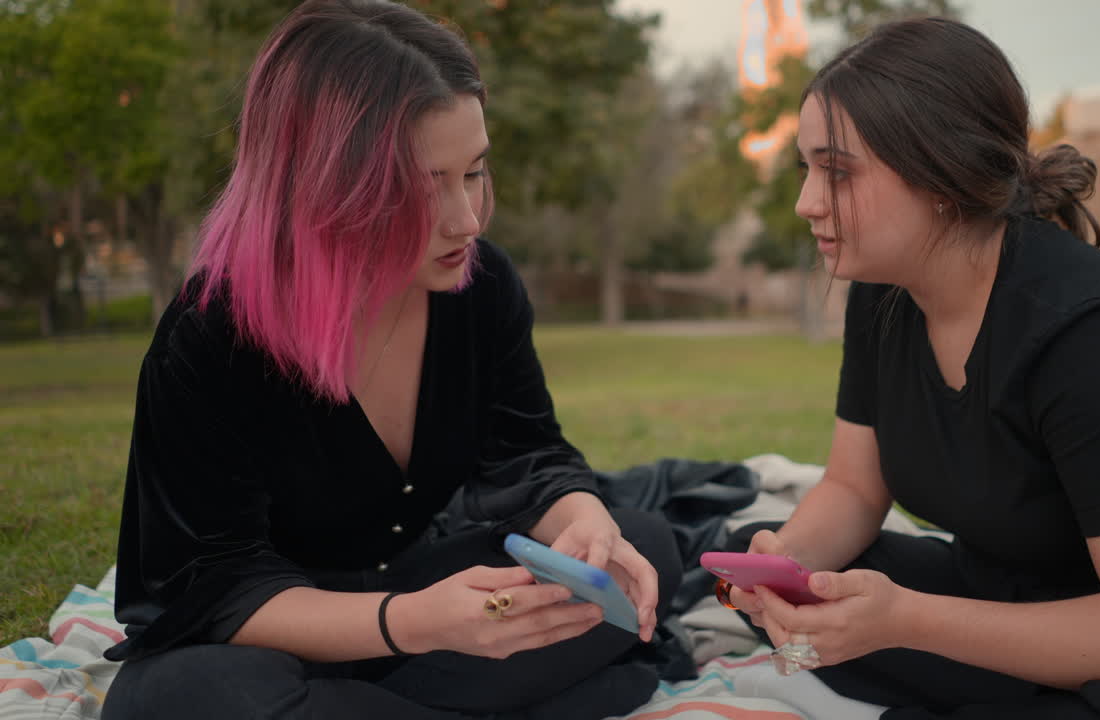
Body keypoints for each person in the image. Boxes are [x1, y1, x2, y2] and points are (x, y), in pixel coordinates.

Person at [100, 1, 680, 718]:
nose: (465, 219)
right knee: (178, 697)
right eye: (424, 184)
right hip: (281, 632)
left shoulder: (481, 285)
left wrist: (581, 517)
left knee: (642, 546)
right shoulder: (211, 335)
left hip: (425, 601)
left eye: (472, 172)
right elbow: (204, 583)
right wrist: (410, 620)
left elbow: (525, 455)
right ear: (324, 187)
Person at [720, 17, 1100, 720]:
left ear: (941, 176)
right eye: (808, 170)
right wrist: (788, 568)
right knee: (762, 561)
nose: (807, 203)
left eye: (837, 171)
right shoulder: (883, 293)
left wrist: (906, 621)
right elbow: (855, 487)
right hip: (1012, 590)